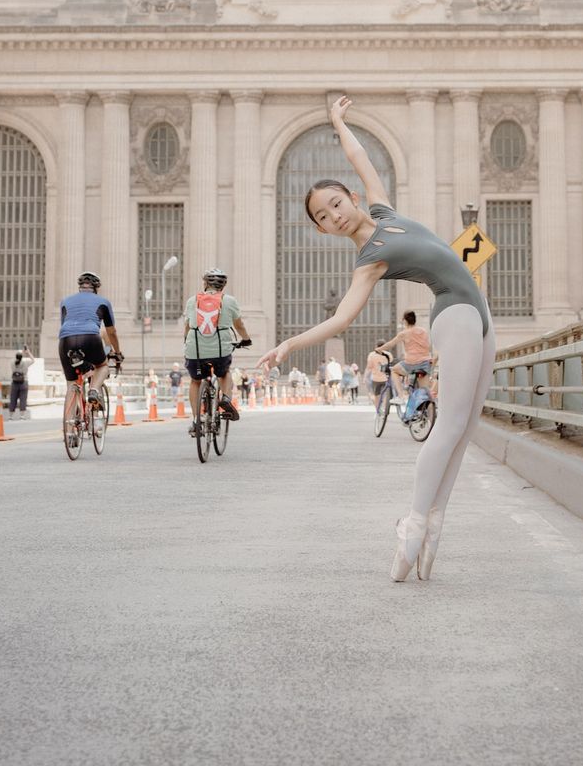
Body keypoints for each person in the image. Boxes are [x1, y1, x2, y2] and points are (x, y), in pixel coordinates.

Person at [257, 95, 495, 583]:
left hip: (482, 314)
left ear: (353, 199)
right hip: (456, 313)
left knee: (466, 431)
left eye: (336, 204)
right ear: (324, 230)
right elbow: (342, 320)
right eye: (323, 217)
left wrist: (337, 121)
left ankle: (435, 522)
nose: (334, 216)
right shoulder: (369, 259)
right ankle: (412, 521)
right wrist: (290, 344)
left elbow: (360, 159)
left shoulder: (386, 212)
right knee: (448, 428)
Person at [182, 267, 251, 433]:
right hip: (220, 350)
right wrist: (246, 339)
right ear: (223, 285)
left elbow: (187, 326)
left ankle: (196, 420)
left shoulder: (193, 301)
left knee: (195, 381)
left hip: (195, 349)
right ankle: (226, 398)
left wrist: (187, 342)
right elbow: (239, 325)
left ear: (205, 283)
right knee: (224, 373)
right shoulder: (229, 301)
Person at [58, 271, 123, 410]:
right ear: (96, 288)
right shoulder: (103, 302)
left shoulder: (65, 301)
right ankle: (94, 390)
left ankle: (69, 429)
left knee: (71, 383)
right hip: (90, 338)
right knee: (102, 367)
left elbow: (64, 325)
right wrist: (117, 353)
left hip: (65, 339)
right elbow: (111, 331)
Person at [378, 311, 433, 403]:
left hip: (411, 363)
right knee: (425, 390)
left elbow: (391, 344)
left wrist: (379, 349)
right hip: (425, 363)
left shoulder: (404, 333)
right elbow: (428, 345)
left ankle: (401, 396)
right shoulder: (423, 331)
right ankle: (429, 409)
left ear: (405, 321)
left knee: (394, 370)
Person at [9, 343, 33, 419]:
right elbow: (33, 360)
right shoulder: (25, 363)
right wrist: (28, 352)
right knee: (23, 399)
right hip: (24, 382)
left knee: (13, 399)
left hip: (14, 382)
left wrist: (21, 353)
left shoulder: (12, 363)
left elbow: (18, 358)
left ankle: (11, 416)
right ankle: (22, 416)